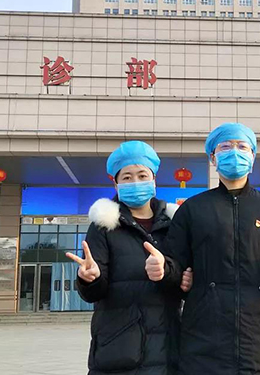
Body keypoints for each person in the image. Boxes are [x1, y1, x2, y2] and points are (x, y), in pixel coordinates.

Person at [144, 123, 260, 375]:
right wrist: (163, 269)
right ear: (213, 157)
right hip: (204, 341)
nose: (234, 152)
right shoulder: (193, 210)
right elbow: (176, 266)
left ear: (253, 156)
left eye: (242, 147)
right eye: (226, 147)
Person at [66, 140, 192, 375]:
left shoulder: (174, 223)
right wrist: (90, 278)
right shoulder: (104, 226)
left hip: (170, 349)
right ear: (115, 182)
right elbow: (93, 294)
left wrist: (168, 272)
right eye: (126, 177)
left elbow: (184, 282)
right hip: (118, 349)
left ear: (154, 179)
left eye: (142, 175)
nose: (135, 182)